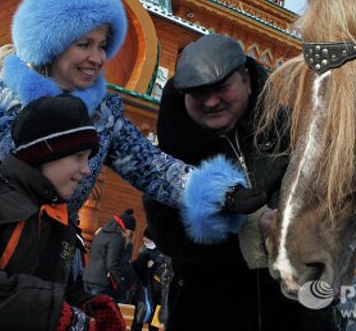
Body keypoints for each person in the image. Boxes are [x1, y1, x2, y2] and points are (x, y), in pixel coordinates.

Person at [0, 0, 244, 219]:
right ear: (53, 43)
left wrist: (222, 193)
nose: (98, 58)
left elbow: (154, 168)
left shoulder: (101, 118)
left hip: (46, 265)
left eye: (102, 46)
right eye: (84, 44)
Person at [143, 34, 335, 331]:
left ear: (246, 80)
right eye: (197, 94)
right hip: (207, 310)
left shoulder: (293, 131)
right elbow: (166, 228)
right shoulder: (173, 151)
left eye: (221, 88)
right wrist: (247, 232)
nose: (211, 101)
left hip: (295, 312)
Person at [0, 94, 125, 331]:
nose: (87, 170)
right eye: (79, 157)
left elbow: (55, 290)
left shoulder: (61, 221)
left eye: (88, 159)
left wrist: (87, 306)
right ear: (47, 152)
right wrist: (54, 313)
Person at [83, 209, 137, 303]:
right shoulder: (116, 239)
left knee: (88, 311)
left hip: (88, 278)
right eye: (131, 234)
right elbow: (112, 264)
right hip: (101, 283)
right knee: (99, 313)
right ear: (126, 229)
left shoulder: (102, 232)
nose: (130, 237)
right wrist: (121, 282)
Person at [131, 229, 167, 331]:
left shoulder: (162, 253)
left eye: (145, 237)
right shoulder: (143, 250)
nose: (143, 239)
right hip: (145, 289)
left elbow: (165, 272)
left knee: (155, 322)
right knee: (139, 317)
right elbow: (138, 269)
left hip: (159, 291)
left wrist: (155, 265)